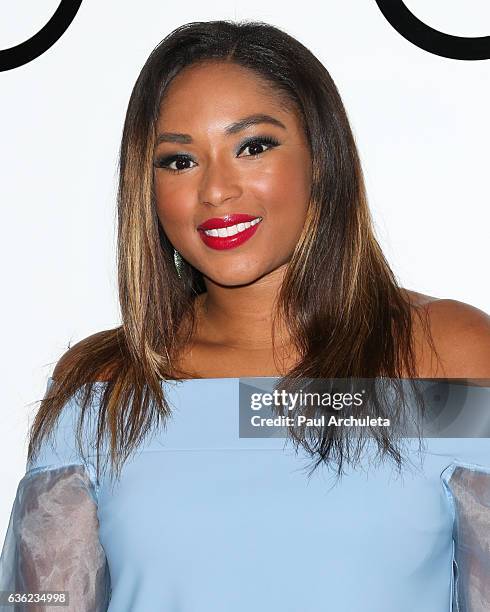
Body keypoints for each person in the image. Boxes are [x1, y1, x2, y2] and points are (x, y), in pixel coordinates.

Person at [1, 19, 490, 612]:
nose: (215, 190)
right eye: (179, 161)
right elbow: (40, 603)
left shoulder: (449, 356)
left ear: (322, 159)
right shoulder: (102, 386)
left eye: (253, 146)